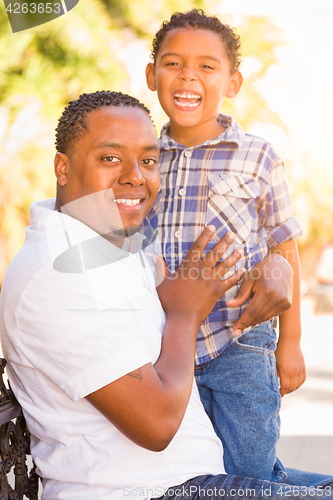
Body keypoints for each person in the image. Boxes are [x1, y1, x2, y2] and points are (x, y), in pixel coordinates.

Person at [0, 91, 332, 500]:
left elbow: (183, 280)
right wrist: (186, 315)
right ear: (62, 168)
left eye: (148, 160)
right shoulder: (56, 272)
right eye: (110, 158)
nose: (135, 176)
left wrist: (276, 264)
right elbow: (156, 425)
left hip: (198, 480)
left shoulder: (109, 242)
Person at [145, 9, 305, 482]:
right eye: (173, 64)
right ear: (152, 76)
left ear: (232, 82)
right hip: (165, 345)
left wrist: (291, 344)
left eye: (206, 66)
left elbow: (285, 247)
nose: (188, 75)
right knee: (196, 470)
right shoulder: (146, 158)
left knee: (249, 469)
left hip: (240, 341)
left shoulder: (257, 155)